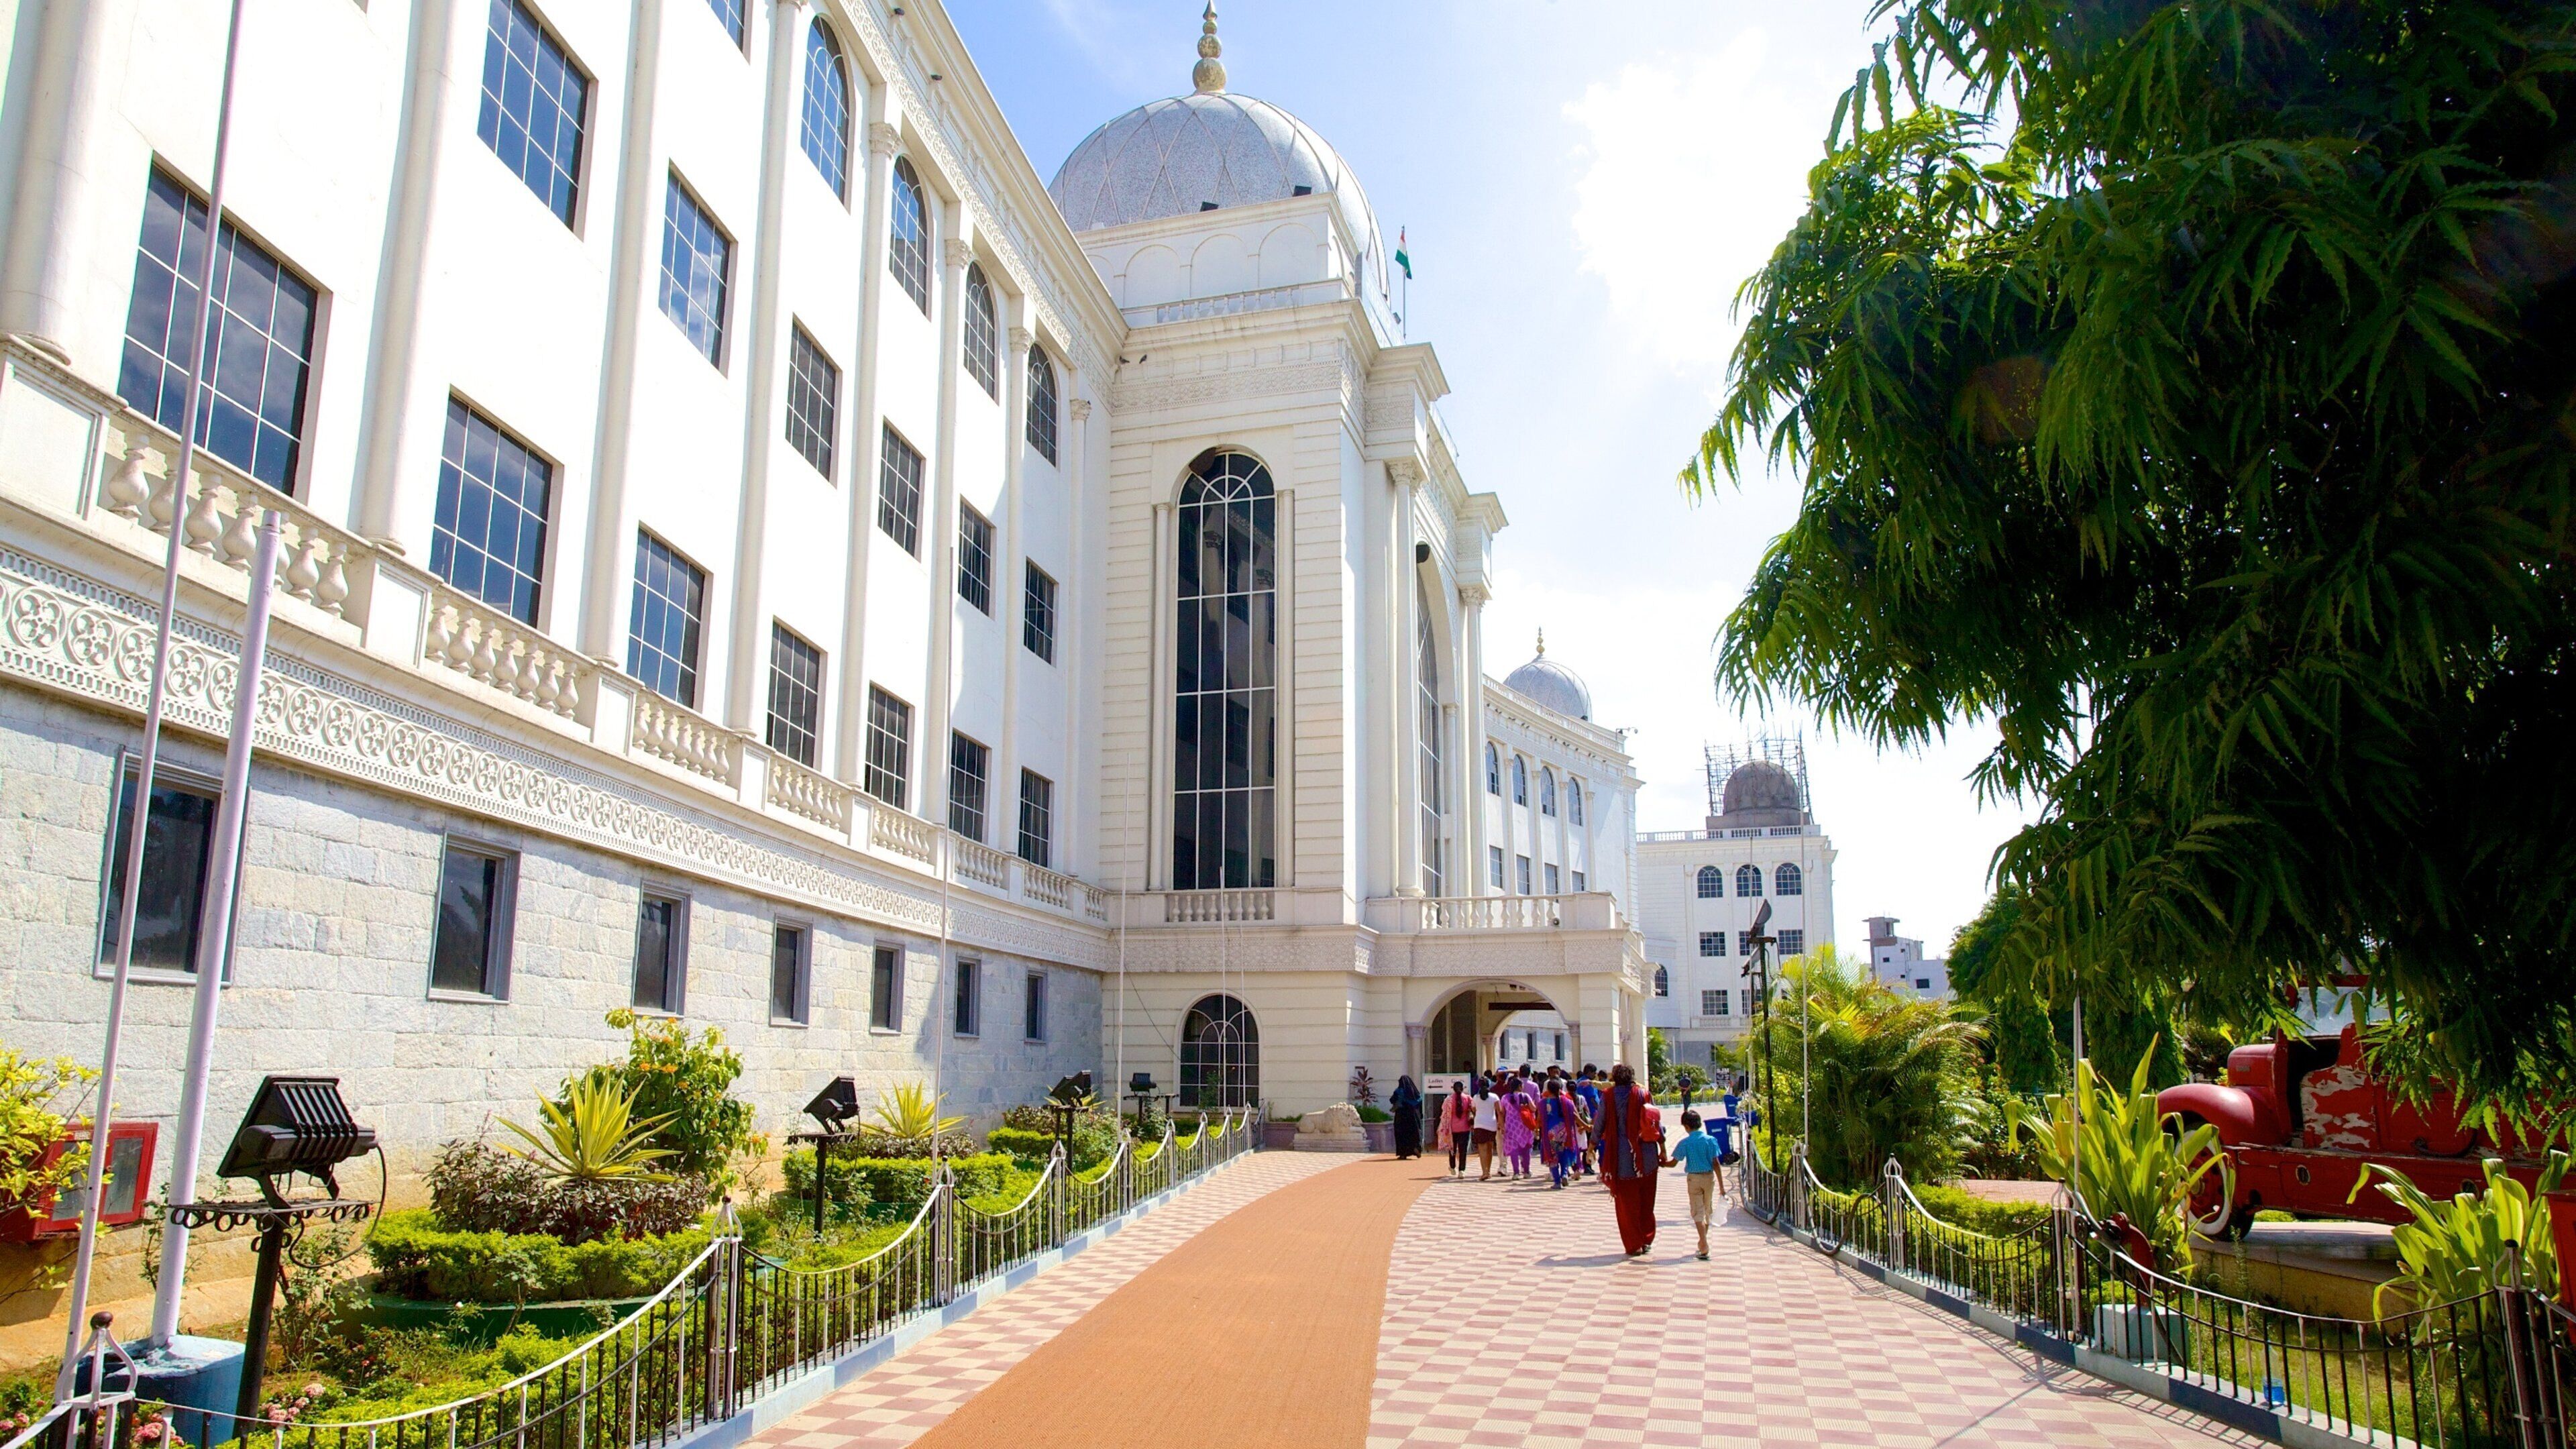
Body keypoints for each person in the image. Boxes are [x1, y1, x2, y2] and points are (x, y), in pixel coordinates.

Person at [1595, 1063, 1660, 1256]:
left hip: (1621, 1157)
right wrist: (1663, 1148)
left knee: (1627, 1205)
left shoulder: (1608, 1096)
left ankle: (1634, 1245)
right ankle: (1646, 1239)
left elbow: (1600, 1123)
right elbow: (1656, 1122)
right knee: (1646, 1202)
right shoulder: (1644, 1094)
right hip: (1647, 1155)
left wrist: (1591, 1146)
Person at [1669, 1108, 1723, 1260]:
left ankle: (1704, 1245)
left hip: (1694, 1179)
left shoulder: (1685, 1142)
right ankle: (1702, 1243)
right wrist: (1722, 1187)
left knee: (1696, 1212)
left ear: (1686, 1127)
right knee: (1707, 1210)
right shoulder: (1711, 1140)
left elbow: (1673, 1163)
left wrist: (1660, 1164)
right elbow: (1716, 1164)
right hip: (1709, 1178)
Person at [1540, 1078, 1585, 1189]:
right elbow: (1575, 1115)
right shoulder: (1567, 1102)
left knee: (1553, 1156)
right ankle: (1564, 1174)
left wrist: (1536, 1129)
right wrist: (1584, 1125)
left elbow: (1540, 1119)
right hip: (1565, 1131)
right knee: (1564, 1153)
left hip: (1550, 1133)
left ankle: (1557, 1182)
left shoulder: (1543, 1103)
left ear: (1548, 1090)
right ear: (1560, 1089)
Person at [1499, 1073, 1538, 1178]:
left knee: (1513, 1150)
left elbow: (1502, 1112)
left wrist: (1502, 1126)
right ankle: (1526, 1171)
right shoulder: (1525, 1096)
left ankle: (1516, 1172)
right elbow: (1534, 1109)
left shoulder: (1505, 1098)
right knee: (1526, 1149)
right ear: (1520, 1086)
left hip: (1511, 1127)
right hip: (1525, 1126)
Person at [1470, 1078, 1501, 1180]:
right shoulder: (1494, 1097)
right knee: (1490, 1148)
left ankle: (1484, 1172)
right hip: (1491, 1124)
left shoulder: (1475, 1097)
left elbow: (1474, 1110)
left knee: (1482, 1149)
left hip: (1479, 1124)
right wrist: (1501, 1123)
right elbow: (1499, 1111)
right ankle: (1489, 1171)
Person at [1440, 1080, 1473, 1176]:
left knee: (1452, 1149)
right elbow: (1473, 1109)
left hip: (1452, 1129)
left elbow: (1444, 1112)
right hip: (1465, 1128)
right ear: (1463, 1089)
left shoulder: (1449, 1099)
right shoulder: (1467, 1098)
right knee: (1463, 1150)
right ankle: (1462, 1170)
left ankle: (1453, 1166)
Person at [1390, 1075, 1424, 1160]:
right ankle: (1416, 1148)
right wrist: (1420, 1115)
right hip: (1414, 1116)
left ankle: (1403, 1154)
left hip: (1401, 1116)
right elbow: (1420, 1104)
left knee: (1402, 1134)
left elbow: (1392, 1100)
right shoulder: (1415, 1092)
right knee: (1415, 1133)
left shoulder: (1398, 1091)